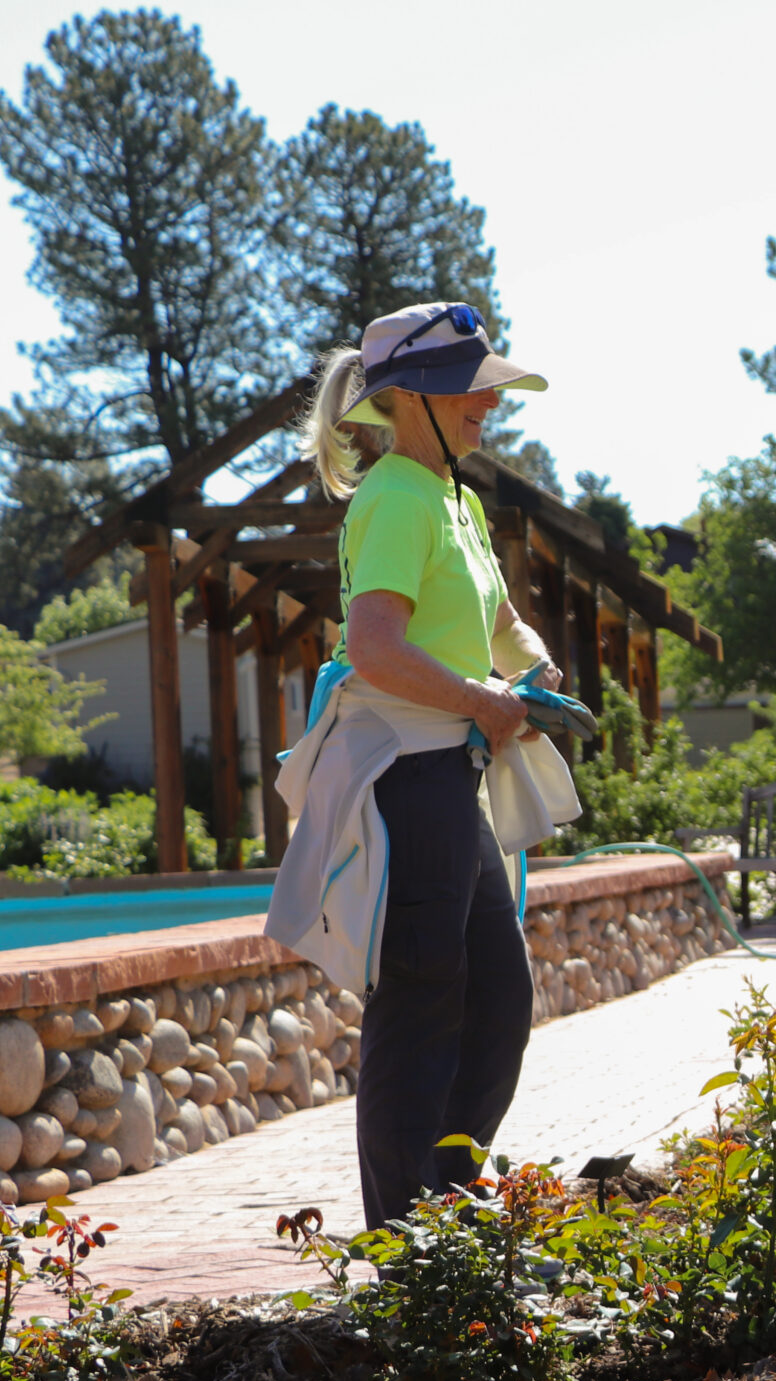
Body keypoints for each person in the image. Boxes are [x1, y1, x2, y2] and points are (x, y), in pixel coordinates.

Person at [268, 301, 575, 1231]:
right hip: (409, 780)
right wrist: (486, 702)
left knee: (497, 996)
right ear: (411, 400)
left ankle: (444, 1208)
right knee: (422, 1003)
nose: (487, 407)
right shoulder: (394, 497)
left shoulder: (455, 498)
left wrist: (532, 669)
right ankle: (405, 1242)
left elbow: (496, 623)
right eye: (469, 392)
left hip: (450, 781)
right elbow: (374, 649)